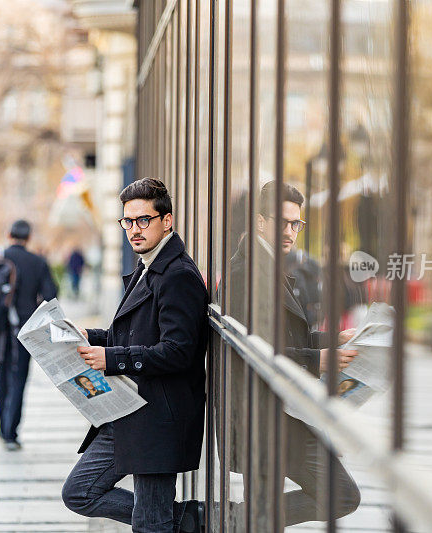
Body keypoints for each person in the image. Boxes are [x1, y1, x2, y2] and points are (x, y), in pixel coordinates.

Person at [62, 178, 208, 533]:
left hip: (158, 418)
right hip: (129, 410)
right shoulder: (148, 267)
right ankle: (189, 519)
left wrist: (112, 359)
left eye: (144, 220)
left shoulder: (178, 276)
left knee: (150, 525)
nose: (134, 230)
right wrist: (89, 336)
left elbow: (178, 351)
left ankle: (183, 519)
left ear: (167, 220)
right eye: (128, 221)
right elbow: (135, 333)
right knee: (80, 492)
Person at [223, 181, 361, 527]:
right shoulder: (246, 272)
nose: (290, 232)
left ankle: (243, 520)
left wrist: (334, 338)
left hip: (279, 411)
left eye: (295, 224)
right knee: (342, 494)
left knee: (277, 505)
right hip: (265, 415)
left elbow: (281, 335)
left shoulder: (267, 263)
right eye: (281, 222)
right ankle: (237, 519)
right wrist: (319, 360)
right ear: (258, 221)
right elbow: (254, 349)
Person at [0, 220, 57, 451]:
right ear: (28, 237)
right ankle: (11, 432)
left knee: (1, 375)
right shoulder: (37, 262)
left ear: (9, 234)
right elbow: (51, 294)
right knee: (19, 376)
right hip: (25, 329)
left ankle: (2, 428)